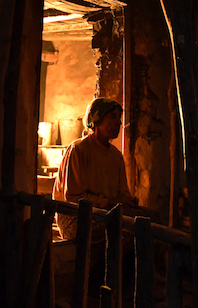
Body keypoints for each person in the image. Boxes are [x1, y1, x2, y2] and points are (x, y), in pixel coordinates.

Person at [53, 97, 137, 239]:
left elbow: (122, 193)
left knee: (151, 220)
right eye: (112, 117)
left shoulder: (116, 156)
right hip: (75, 217)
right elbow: (73, 198)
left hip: (104, 212)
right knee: (124, 232)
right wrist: (110, 202)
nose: (119, 122)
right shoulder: (79, 150)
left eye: (119, 117)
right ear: (96, 120)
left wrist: (127, 200)